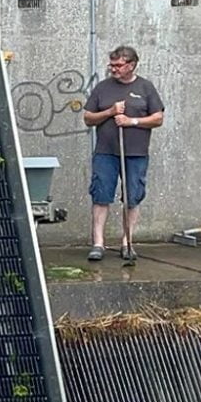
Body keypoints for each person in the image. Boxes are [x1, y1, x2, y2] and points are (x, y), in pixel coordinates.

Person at [82, 46, 165, 261]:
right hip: (106, 152)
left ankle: (127, 242)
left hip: (136, 153)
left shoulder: (145, 87)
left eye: (118, 65)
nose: (114, 69)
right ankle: (98, 243)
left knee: (133, 197)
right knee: (101, 195)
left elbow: (157, 118)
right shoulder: (103, 88)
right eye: (112, 64)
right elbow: (88, 118)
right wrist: (110, 112)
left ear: (131, 65)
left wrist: (132, 121)